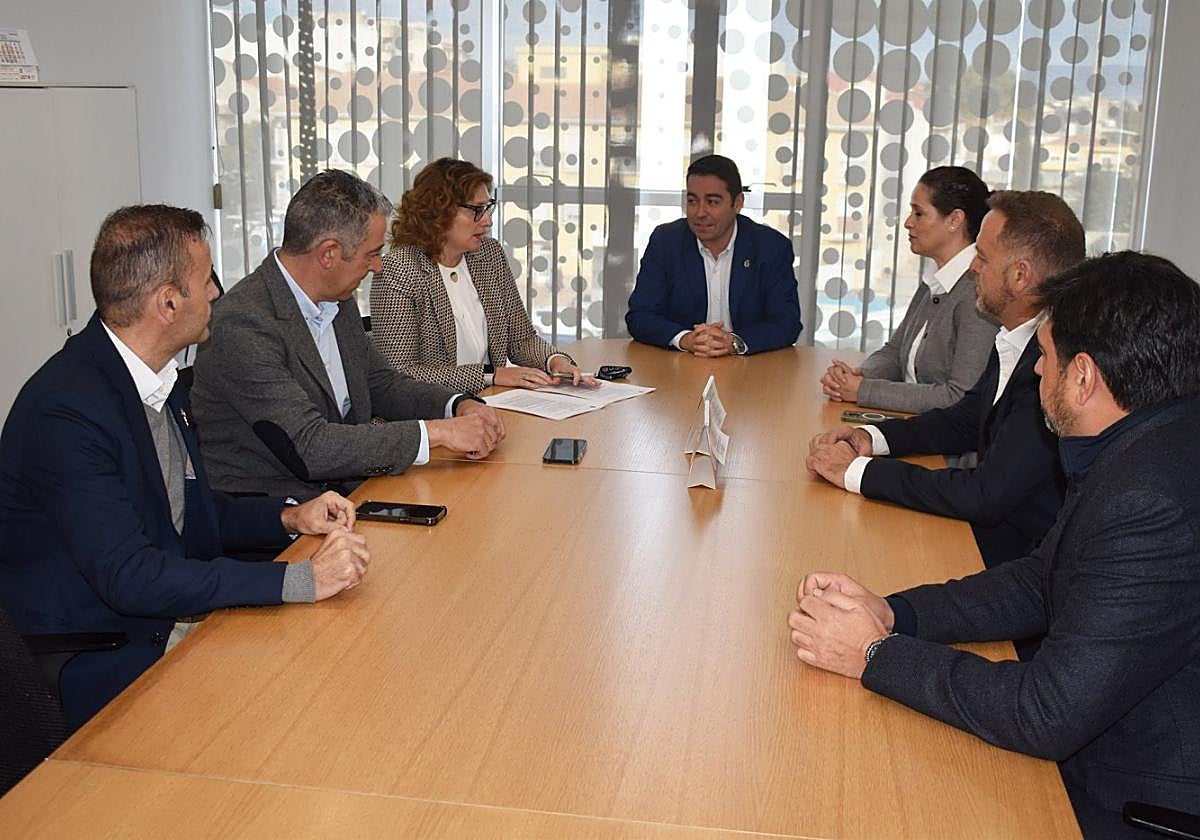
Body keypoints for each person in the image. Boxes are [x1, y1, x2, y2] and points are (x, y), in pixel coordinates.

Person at [788, 252, 1200, 836]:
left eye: (1047, 357)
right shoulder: (1149, 441)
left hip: (1137, 797)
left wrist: (875, 653)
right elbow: (1042, 578)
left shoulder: (1148, 499)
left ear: (1084, 376)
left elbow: (1046, 713)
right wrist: (895, 613)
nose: (1036, 373)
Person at [0, 205, 369, 730]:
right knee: (303, 709)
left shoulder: (155, 380)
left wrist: (289, 518)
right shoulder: (66, 410)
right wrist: (299, 579)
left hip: (166, 622)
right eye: (206, 279)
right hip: (101, 654)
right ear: (168, 302)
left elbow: (190, 513)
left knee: (333, 672)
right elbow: (131, 577)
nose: (218, 292)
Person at [807, 191, 1084, 569]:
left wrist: (856, 472)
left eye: (982, 259)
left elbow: (985, 494)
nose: (972, 269)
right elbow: (968, 417)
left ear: (1020, 276)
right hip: (984, 541)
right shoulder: (1014, 336)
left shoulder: (1052, 367)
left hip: (1013, 565)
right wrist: (872, 439)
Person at [191, 170, 506, 500]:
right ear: (328, 254)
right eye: (372, 254)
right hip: (281, 515)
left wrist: (457, 406)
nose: (378, 267)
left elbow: (380, 383)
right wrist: (437, 433)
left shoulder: (336, 298)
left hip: (348, 491)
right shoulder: (243, 324)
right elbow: (311, 446)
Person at [371, 158, 594, 394]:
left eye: (488, 207)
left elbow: (521, 340)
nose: (487, 221)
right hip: (431, 413)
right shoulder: (399, 269)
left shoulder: (490, 255)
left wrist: (555, 362)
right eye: (477, 210)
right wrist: (491, 375)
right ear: (438, 212)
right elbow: (400, 373)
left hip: (489, 402)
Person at [821, 166, 998, 413]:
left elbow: (958, 397)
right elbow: (895, 352)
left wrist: (863, 390)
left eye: (919, 213)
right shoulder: (935, 280)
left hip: (943, 447)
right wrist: (857, 376)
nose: (908, 223)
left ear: (955, 220)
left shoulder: (977, 293)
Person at [625, 154, 802, 356]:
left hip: (750, 368)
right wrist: (685, 339)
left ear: (737, 203)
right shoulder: (666, 242)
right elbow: (640, 316)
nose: (700, 212)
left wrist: (733, 342)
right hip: (682, 365)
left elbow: (786, 323)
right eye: (692, 201)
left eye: (712, 202)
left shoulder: (770, 247)